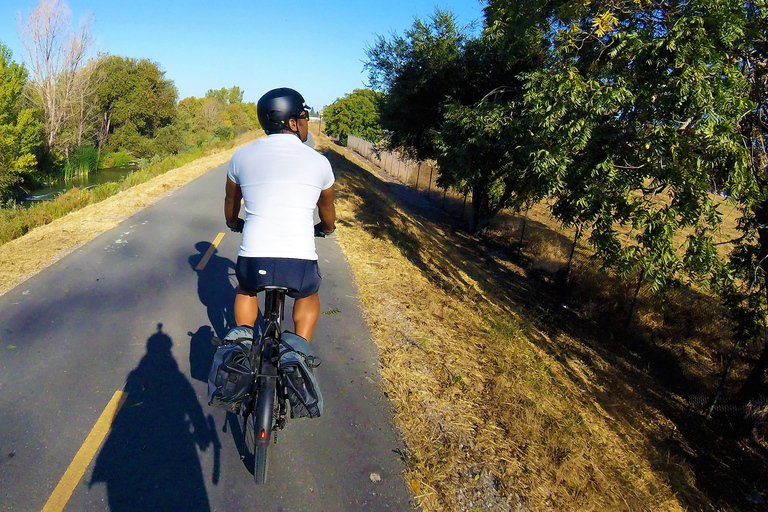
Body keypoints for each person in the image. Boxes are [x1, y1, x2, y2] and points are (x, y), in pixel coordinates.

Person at [224, 87, 335, 342]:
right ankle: (298, 353)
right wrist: (326, 228)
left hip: (253, 257)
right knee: (308, 293)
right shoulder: (319, 162)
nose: (306, 122)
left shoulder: (240, 156)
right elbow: (327, 210)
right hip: (299, 262)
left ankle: (243, 343)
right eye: (305, 117)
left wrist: (233, 223)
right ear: (293, 122)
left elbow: (232, 200)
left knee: (246, 288)